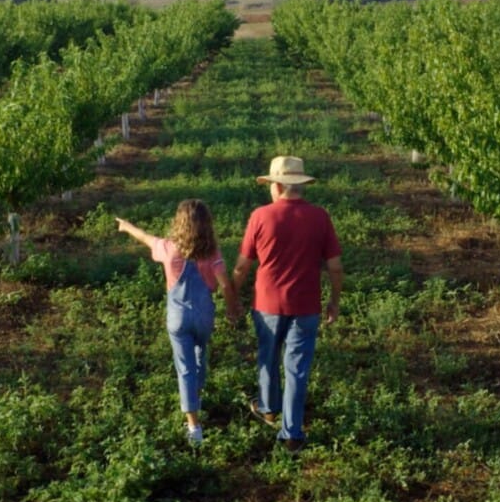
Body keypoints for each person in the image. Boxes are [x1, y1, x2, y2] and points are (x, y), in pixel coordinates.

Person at [233, 156, 343, 453]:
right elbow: (334, 266)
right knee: (297, 369)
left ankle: (269, 408)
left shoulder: (261, 217)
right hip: (307, 305)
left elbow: (243, 266)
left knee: (268, 356)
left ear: (278, 186)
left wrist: (232, 296)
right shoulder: (320, 217)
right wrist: (334, 300)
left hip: (267, 303)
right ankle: (291, 433)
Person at [117, 200, 241, 446]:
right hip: (204, 316)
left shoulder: (169, 248)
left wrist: (127, 226)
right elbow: (226, 285)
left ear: (179, 223)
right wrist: (232, 309)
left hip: (178, 318)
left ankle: (193, 425)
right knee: (199, 354)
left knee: (184, 368)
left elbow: (146, 238)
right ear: (207, 225)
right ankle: (196, 394)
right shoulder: (211, 253)